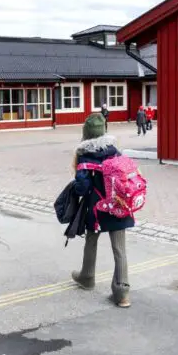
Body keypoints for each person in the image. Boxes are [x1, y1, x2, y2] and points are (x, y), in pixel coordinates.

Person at [71, 114, 133, 308]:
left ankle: (87, 277)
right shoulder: (115, 151)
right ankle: (122, 293)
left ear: (86, 134)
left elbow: (81, 188)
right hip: (119, 205)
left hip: (97, 208)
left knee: (91, 240)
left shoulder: (84, 155)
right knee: (119, 248)